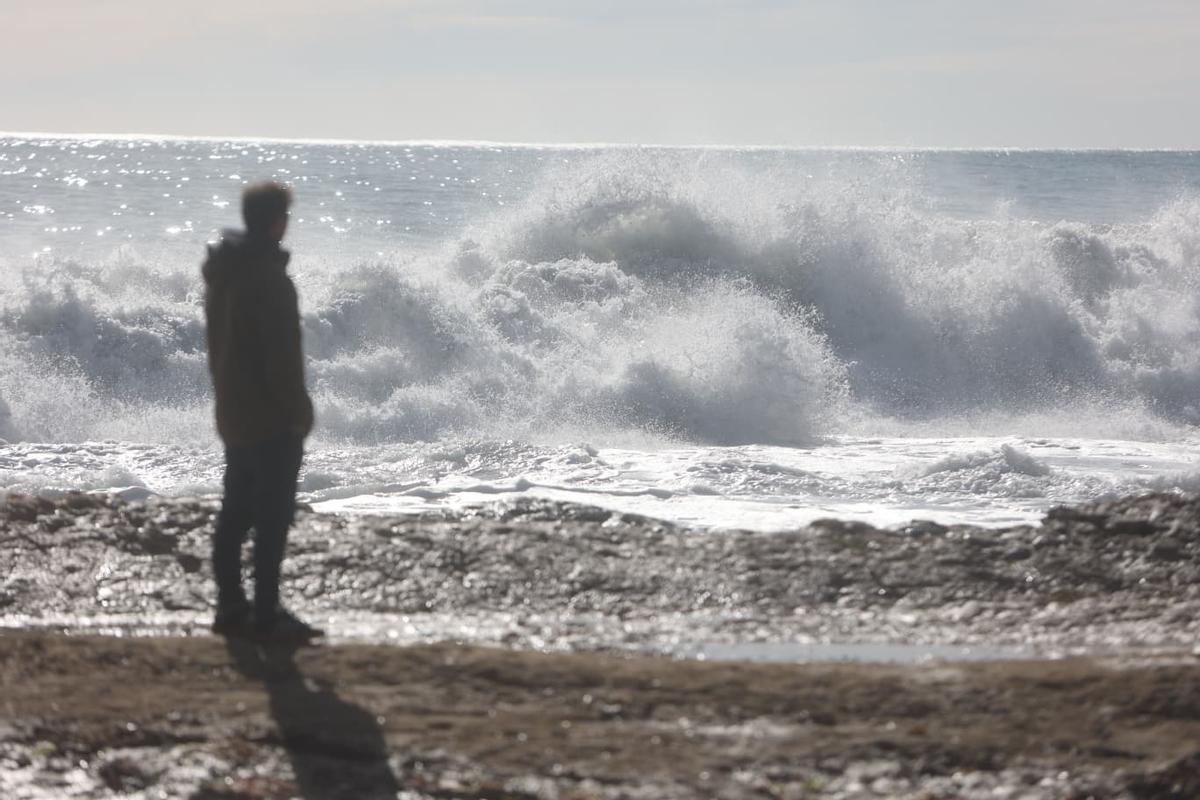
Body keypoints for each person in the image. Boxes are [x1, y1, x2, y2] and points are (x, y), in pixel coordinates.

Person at [202, 181, 320, 642]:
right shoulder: (269, 279)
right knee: (271, 520)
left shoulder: (224, 273)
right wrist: (300, 414)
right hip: (271, 418)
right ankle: (266, 613)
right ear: (276, 222)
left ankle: (231, 605)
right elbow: (282, 361)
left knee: (234, 514)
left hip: (233, 410)